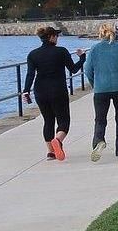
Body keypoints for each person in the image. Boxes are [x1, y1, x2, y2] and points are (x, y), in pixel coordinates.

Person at [22, 26, 86, 161]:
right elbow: (73, 70)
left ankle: (51, 152)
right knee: (63, 120)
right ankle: (58, 140)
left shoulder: (33, 54)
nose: (57, 38)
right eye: (56, 36)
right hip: (58, 90)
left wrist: (26, 90)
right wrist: (82, 58)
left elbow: (30, 74)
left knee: (48, 120)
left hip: (40, 91)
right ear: (51, 37)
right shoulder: (61, 51)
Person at [83, 23, 118, 161]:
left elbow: (87, 70)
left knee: (100, 119)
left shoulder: (94, 49)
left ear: (100, 34)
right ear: (114, 33)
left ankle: (98, 141)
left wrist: (94, 84)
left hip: (101, 89)